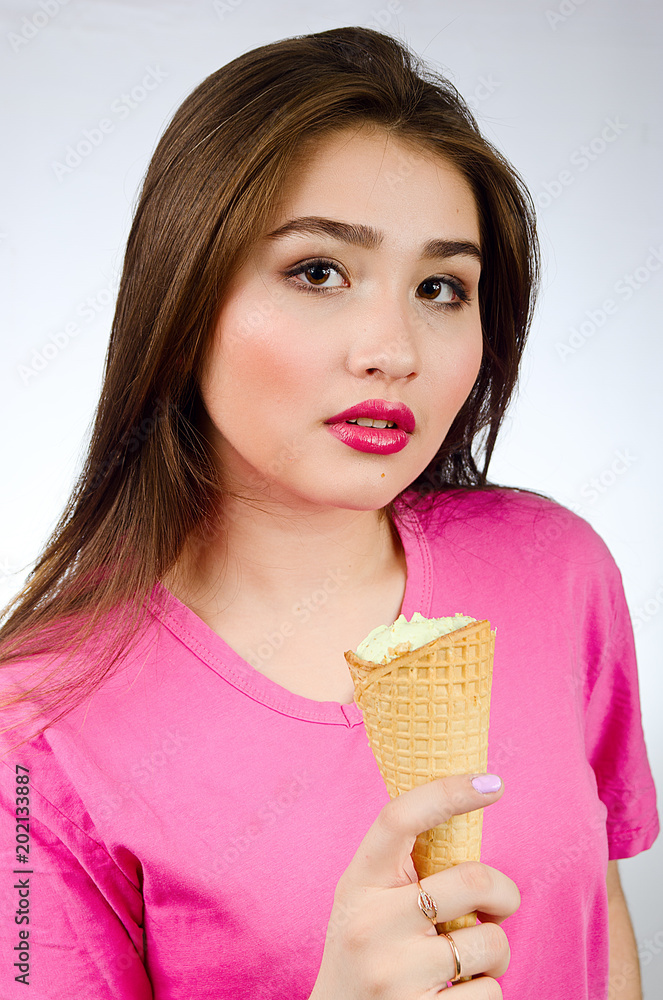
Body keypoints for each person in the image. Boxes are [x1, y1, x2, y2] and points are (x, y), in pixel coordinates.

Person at [0, 25, 658, 1000]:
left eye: (441, 287)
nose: (393, 348)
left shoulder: (555, 570)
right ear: (184, 296)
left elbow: (601, 937)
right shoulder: (33, 731)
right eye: (318, 271)